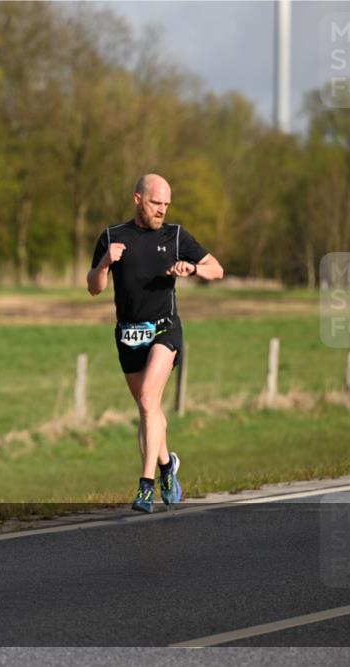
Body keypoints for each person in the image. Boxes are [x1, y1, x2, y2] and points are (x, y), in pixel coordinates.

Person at [87, 174, 224, 513]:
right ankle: (167, 466)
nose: (162, 210)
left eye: (166, 204)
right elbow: (93, 287)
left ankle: (146, 487)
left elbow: (217, 270)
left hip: (165, 330)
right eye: (155, 203)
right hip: (128, 334)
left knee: (149, 398)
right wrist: (104, 263)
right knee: (148, 409)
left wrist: (193, 269)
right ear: (138, 199)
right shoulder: (112, 236)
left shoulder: (175, 236)